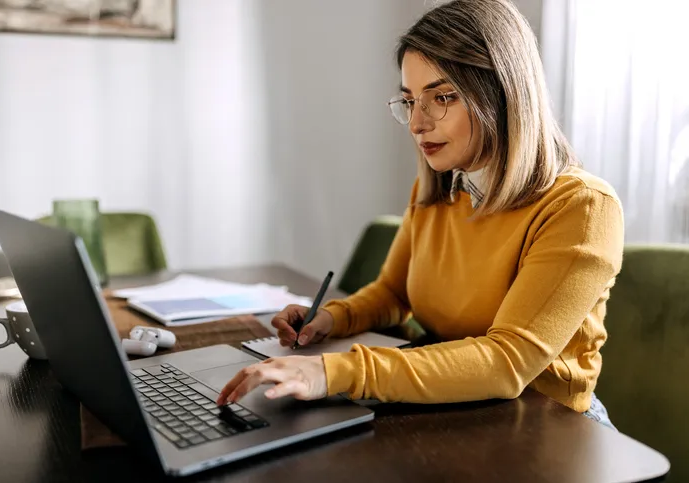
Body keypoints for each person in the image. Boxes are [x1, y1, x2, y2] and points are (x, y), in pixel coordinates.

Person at [217, 0, 623, 430]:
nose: (417, 123)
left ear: (503, 95)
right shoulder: (440, 190)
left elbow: (507, 362)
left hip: (546, 426)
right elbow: (393, 293)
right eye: (410, 101)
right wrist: (331, 319)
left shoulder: (582, 207)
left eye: (442, 97)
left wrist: (330, 371)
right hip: (454, 408)